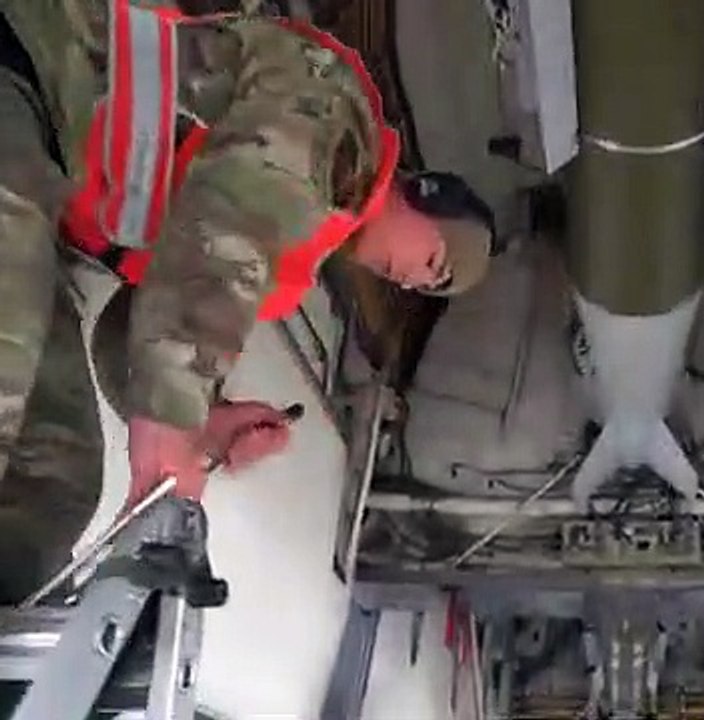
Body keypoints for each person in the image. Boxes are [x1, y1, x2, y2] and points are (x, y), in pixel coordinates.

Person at [0, 0, 495, 604]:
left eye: (424, 288)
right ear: (421, 196)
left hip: (45, 177)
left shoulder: (290, 259)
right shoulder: (338, 118)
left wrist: (204, 424)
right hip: (33, 66)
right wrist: (172, 418)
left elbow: (127, 333)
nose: (412, 280)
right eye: (435, 263)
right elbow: (224, 230)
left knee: (55, 477)